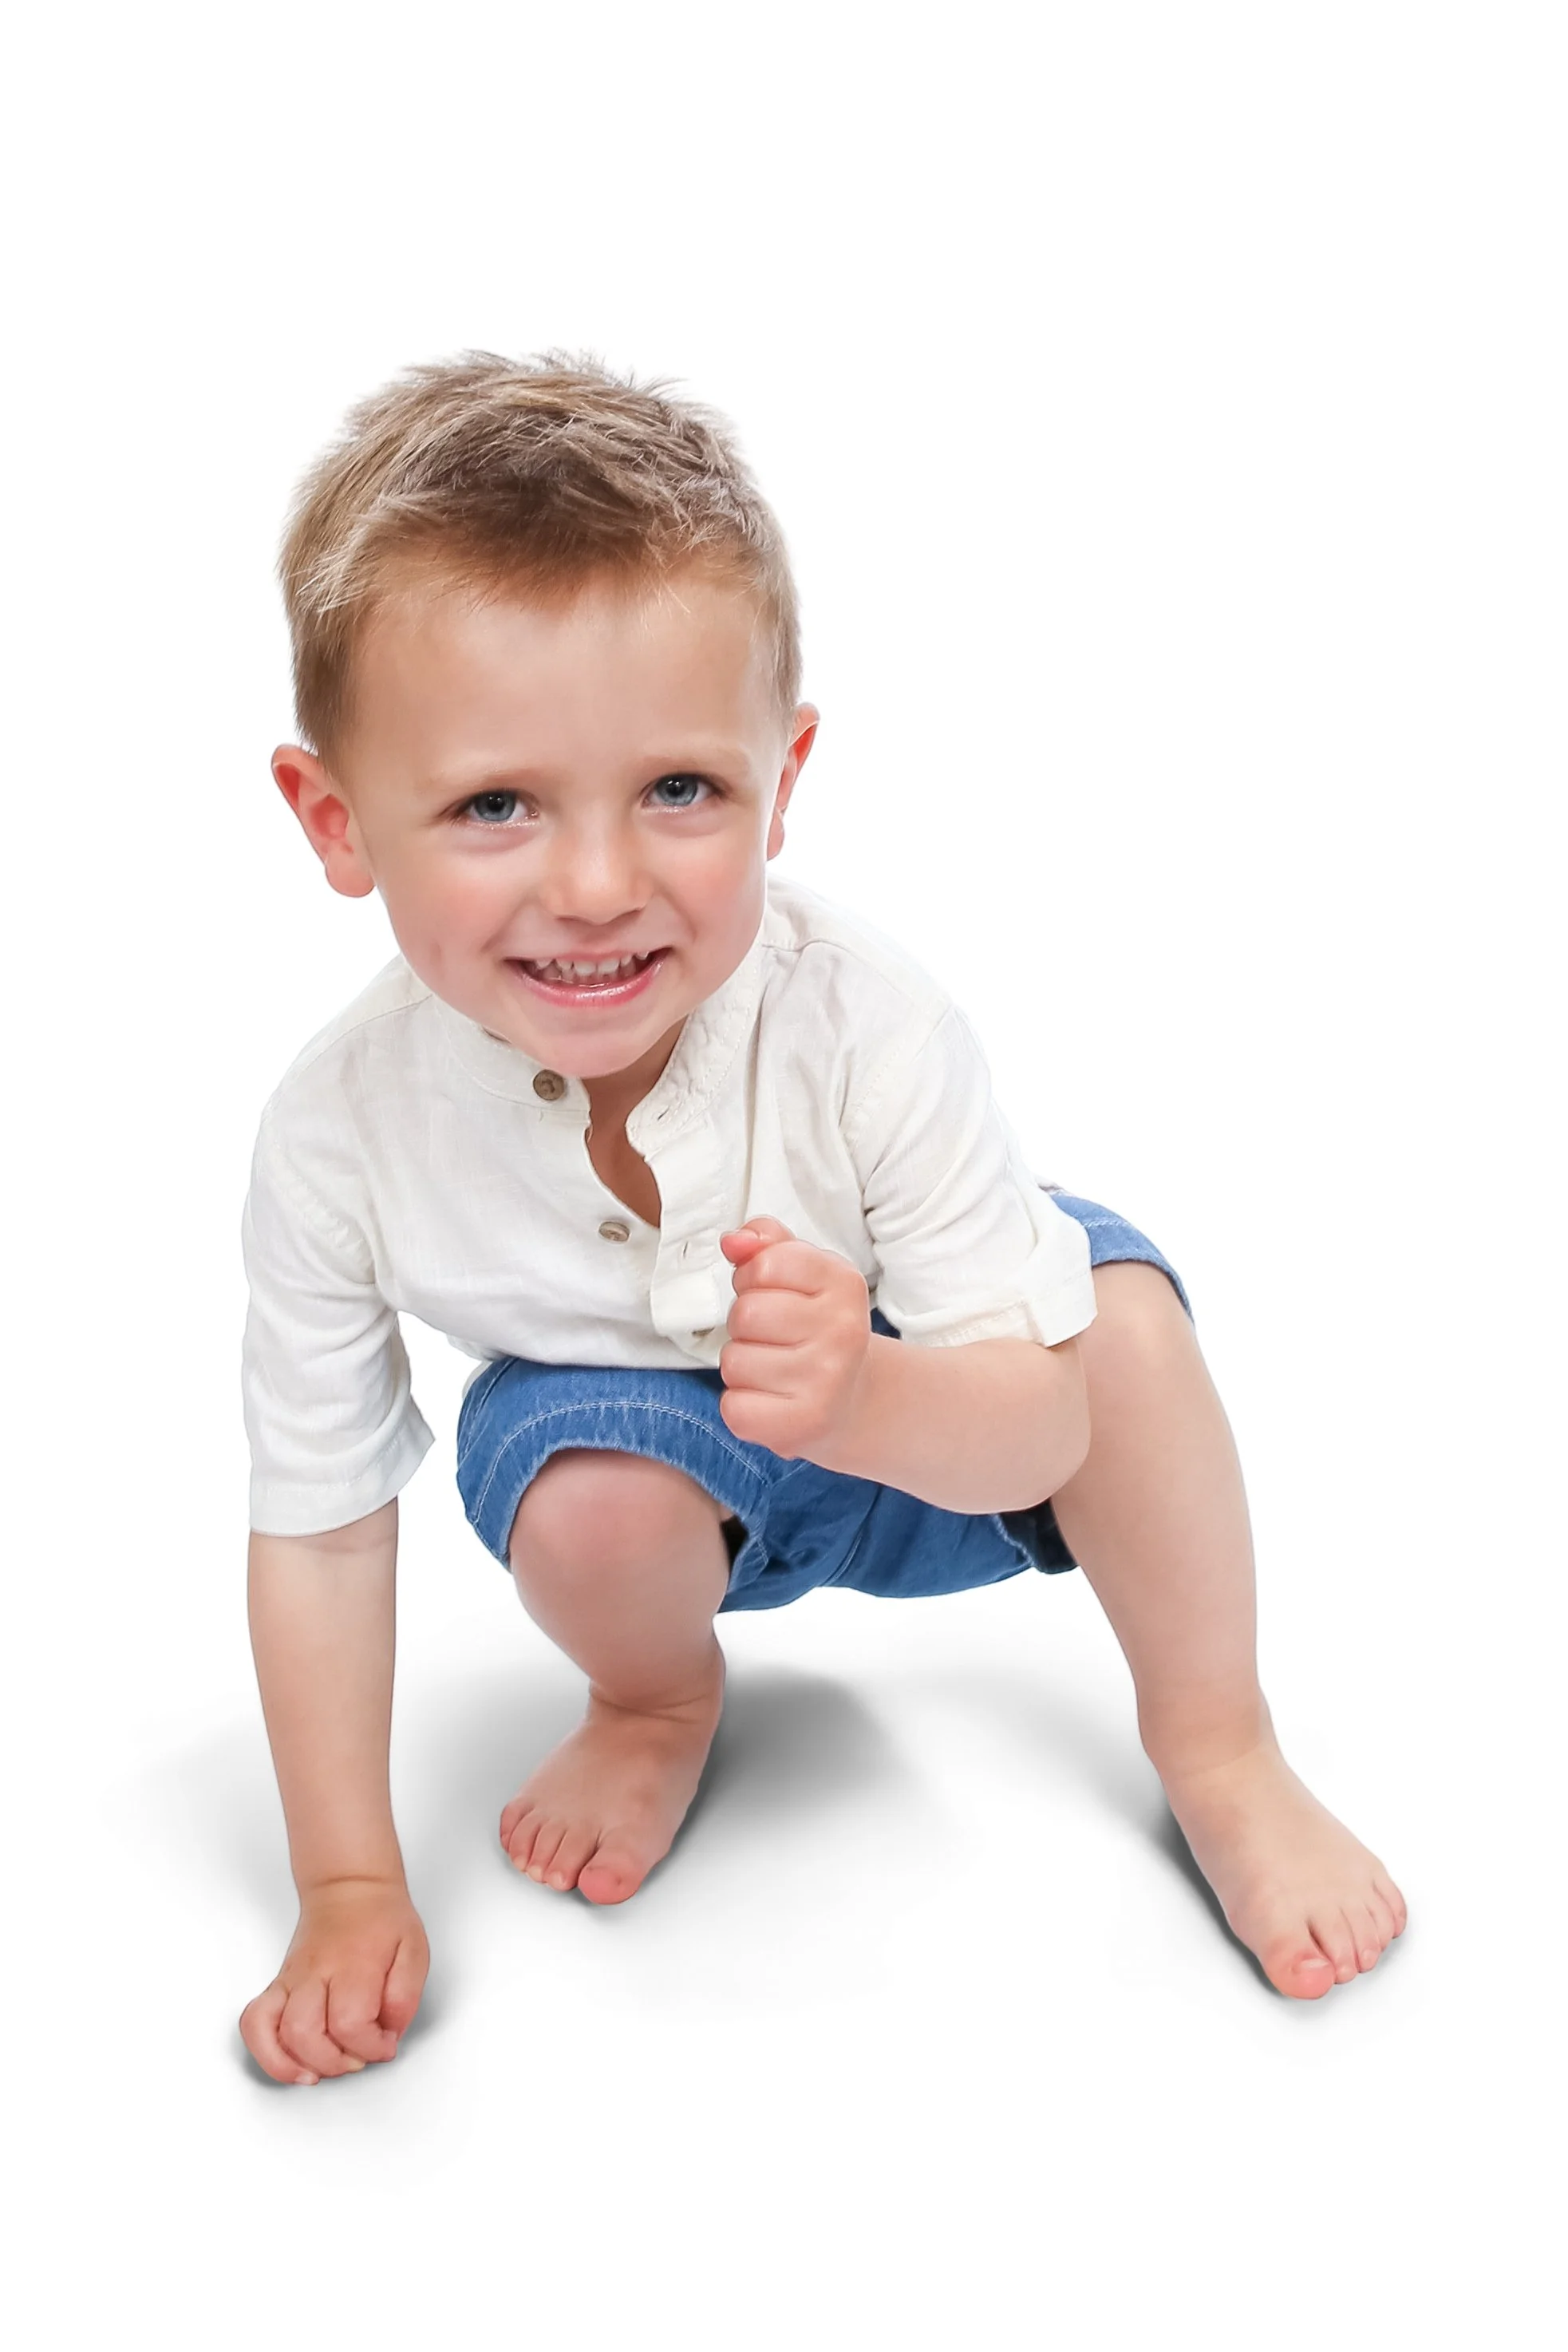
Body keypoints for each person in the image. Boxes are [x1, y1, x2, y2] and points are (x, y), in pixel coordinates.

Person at [237, 351, 1406, 2085]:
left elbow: (1044, 1420)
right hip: (657, 1463)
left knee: (1128, 1325)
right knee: (579, 1496)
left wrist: (866, 1392)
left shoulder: (862, 1017)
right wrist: (345, 1882)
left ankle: (1220, 1745)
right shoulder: (335, 1136)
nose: (595, 886)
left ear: (782, 776)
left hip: (945, 1403)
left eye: (679, 791)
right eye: (494, 805)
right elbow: (323, 1527)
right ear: (339, 822)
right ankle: (654, 1697)